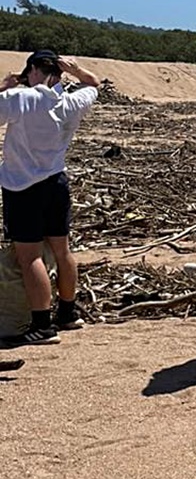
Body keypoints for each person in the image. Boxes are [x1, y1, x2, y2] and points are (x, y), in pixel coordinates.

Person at [0, 50, 100, 346]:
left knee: (29, 256)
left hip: (23, 186)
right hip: (56, 181)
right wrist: (77, 70)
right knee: (62, 250)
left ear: (32, 70)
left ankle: (42, 324)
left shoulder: (20, 98)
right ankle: (67, 313)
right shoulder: (69, 101)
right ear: (58, 72)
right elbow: (93, 85)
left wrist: (4, 86)